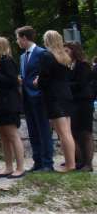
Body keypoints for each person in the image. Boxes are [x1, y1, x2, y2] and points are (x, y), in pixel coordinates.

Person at [16, 26, 54, 172]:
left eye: (18, 38)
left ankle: (47, 163)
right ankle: (37, 161)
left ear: (24, 38)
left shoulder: (42, 53)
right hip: (26, 98)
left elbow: (46, 75)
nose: (17, 41)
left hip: (39, 97)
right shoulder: (22, 56)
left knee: (43, 130)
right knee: (33, 131)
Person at [37, 30, 75, 172]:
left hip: (54, 97)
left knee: (62, 132)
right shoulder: (65, 57)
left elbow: (44, 78)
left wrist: (37, 82)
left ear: (47, 41)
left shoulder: (46, 56)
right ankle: (70, 162)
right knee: (67, 132)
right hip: (66, 95)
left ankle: (70, 165)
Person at [0, 37, 25, 179]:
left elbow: (12, 81)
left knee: (12, 135)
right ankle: (8, 166)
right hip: (0, 104)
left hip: (9, 103)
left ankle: (20, 167)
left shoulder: (6, 61)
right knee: (3, 137)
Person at [65, 42, 94, 171]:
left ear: (74, 51)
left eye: (67, 51)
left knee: (85, 133)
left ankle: (88, 163)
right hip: (74, 102)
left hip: (84, 102)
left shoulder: (83, 65)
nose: (65, 53)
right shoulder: (69, 65)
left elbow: (81, 83)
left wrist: (64, 85)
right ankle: (80, 160)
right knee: (74, 132)